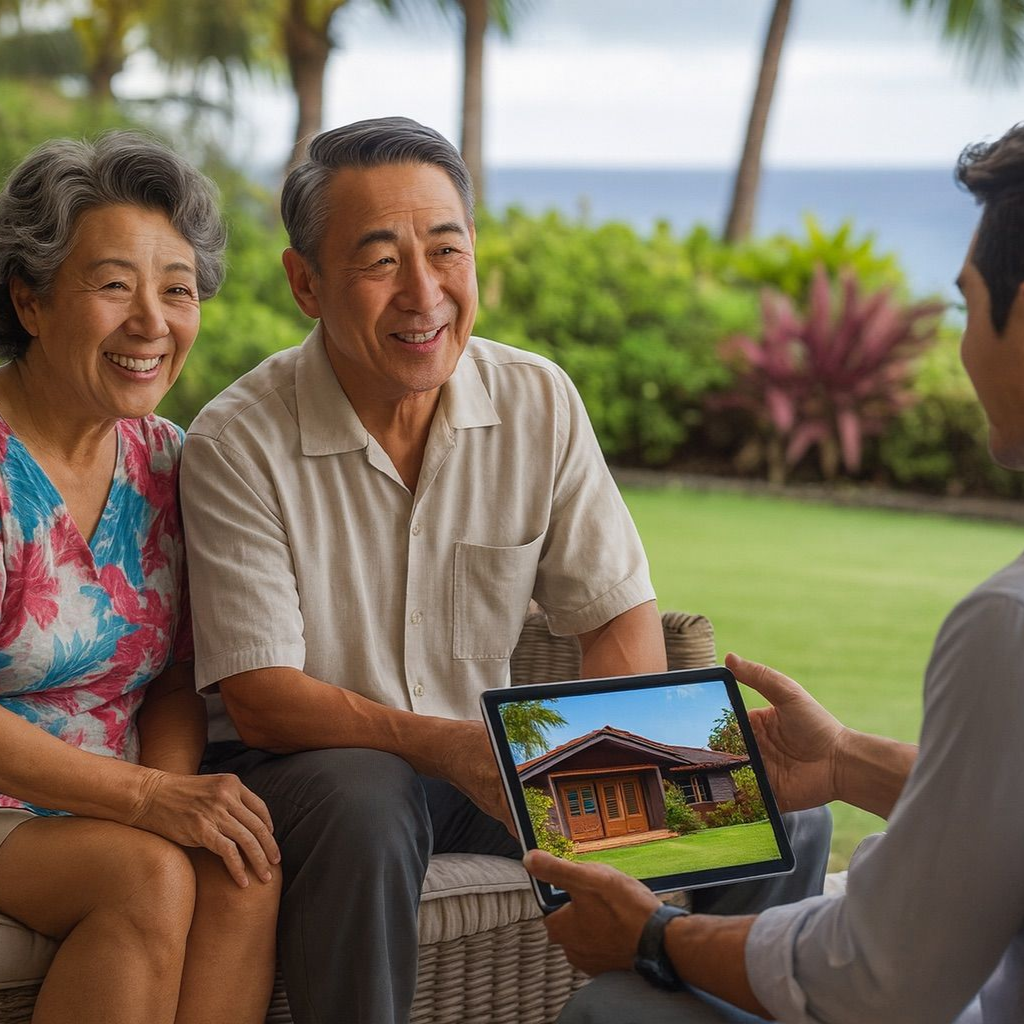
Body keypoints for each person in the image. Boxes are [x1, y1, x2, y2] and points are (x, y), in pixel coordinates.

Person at [179, 115, 831, 1024]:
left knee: (786, 815)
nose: (424, 293)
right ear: (305, 283)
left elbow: (612, 617)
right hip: (307, 771)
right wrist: (453, 746)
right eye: (379, 262)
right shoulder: (236, 441)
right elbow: (262, 696)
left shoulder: (537, 399)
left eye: (447, 251)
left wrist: (624, 762)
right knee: (365, 800)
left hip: (491, 760)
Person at [524, 121, 1024, 1024]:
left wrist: (650, 936)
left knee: (614, 1010)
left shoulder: (1008, 625)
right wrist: (842, 760)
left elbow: (879, 979)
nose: (960, 344)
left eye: (964, 304)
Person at [0, 133, 281, 1024]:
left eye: (178, 290)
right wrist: (150, 804)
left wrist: (176, 800)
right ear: (31, 301)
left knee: (241, 867)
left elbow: (171, 676)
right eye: (115, 284)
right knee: (147, 876)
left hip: (108, 796)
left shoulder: (167, 459)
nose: (152, 322)